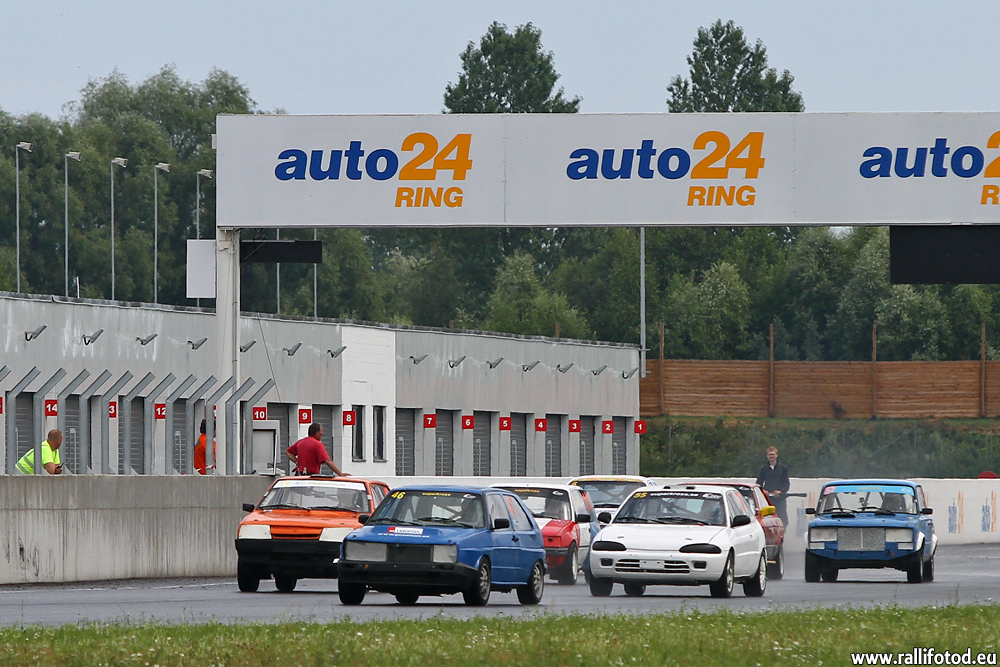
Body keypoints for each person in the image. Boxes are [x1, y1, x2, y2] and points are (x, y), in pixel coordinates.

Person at [756, 446, 790, 525]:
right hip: (768, 499)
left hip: (780, 499)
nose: (771, 456)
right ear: (767, 456)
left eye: (773, 454)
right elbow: (759, 483)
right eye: (769, 454)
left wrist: (780, 491)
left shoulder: (783, 468)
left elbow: (786, 483)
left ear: (776, 455)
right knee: (768, 519)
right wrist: (764, 491)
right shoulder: (764, 469)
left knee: (782, 519)